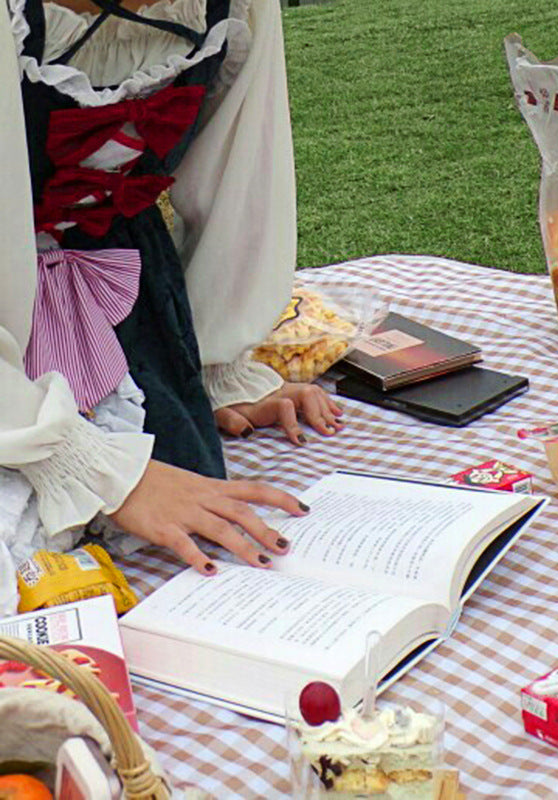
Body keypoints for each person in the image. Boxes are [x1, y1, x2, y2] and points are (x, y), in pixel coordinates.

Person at [0, 0, 343, 574]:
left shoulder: (234, 7)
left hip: (123, 300)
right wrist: (86, 464)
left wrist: (216, 366)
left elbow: (241, 175)